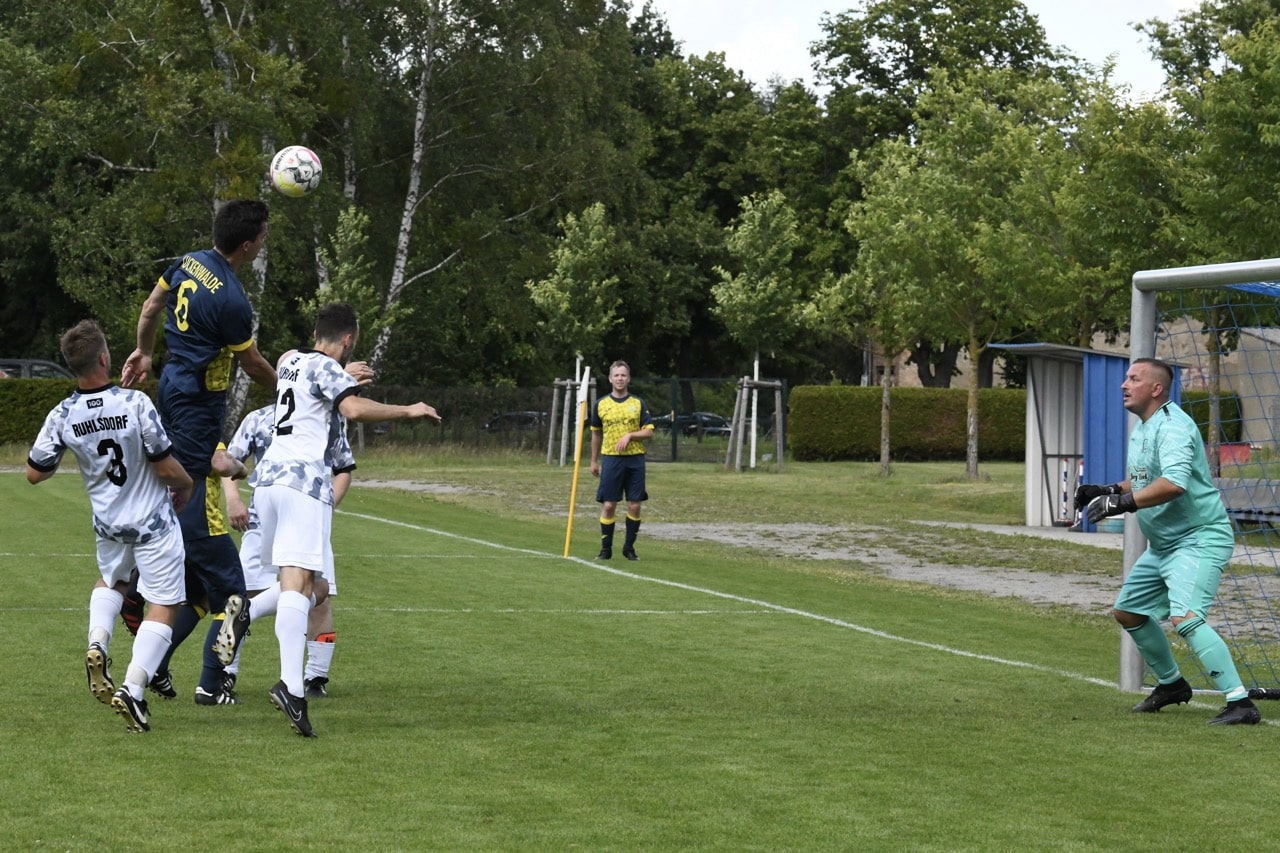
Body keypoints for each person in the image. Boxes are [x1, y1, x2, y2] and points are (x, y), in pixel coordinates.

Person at [246, 303, 439, 736]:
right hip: (302, 484)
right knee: (303, 587)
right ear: (349, 339)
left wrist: (340, 372)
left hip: (267, 483)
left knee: (293, 582)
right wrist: (409, 410)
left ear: (317, 331)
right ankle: (292, 689)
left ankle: (250, 612)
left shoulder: (290, 361)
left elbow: (304, 380)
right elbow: (352, 410)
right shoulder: (329, 371)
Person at [119, 199, 277, 704]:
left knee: (196, 590)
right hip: (194, 424)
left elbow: (150, 308)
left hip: (172, 397)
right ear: (248, 245)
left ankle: (156, 662)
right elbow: (252, 365)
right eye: (263, 237)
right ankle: (211, 683)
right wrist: (290, 388)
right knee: (235, 592)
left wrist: (144, 350)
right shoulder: (231, 300)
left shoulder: (188, 262)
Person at [26, 320, 194, 733]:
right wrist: (186, 484)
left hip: (109, 525)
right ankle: (133, 690)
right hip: (152, 523)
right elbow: (163, 464)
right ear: (104, 357)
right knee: (164, 604)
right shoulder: (135, 403)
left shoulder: (63, 413)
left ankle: (98, 642)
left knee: (111, 582)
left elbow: (34, 472)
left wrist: (81, 455)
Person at [1078, 357, 1261, 725]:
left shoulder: (1174, 427)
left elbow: (1174, 484)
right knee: (1128, 611)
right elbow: (1146, 478)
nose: (1123, 384)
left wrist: (1121, 503)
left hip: (1198, 539)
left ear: (1156, 389)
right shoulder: (1144, 427)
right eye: (1126, 378)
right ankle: (1172, 685)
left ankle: (1240, 704)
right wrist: (1110, 489)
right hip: (1164, 545)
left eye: (1134, 378)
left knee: (1187, 618)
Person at [221, 386, 359, 700]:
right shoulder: (257, 419)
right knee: (270, 591)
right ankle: (226, 674)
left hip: (301, 517)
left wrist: (325, 506)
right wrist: (232, 501)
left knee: (317, 594)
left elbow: (343, 470)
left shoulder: (326, 419)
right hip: (262, 520)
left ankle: (315, 677)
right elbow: (229, 463)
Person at [589, 360, 654, 561]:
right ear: (610, 378)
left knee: (635, 505)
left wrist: (630, 436)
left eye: (623, 375)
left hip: (635, 460)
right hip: (611, 459)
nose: (620, 379)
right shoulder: (601, 404)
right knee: (609, 505)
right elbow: (596, 434)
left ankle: (628, 548)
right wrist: (594, 460)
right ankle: (605, 549)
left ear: (628, 378)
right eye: (616, 375)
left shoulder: (637, 403)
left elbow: (649, 431)